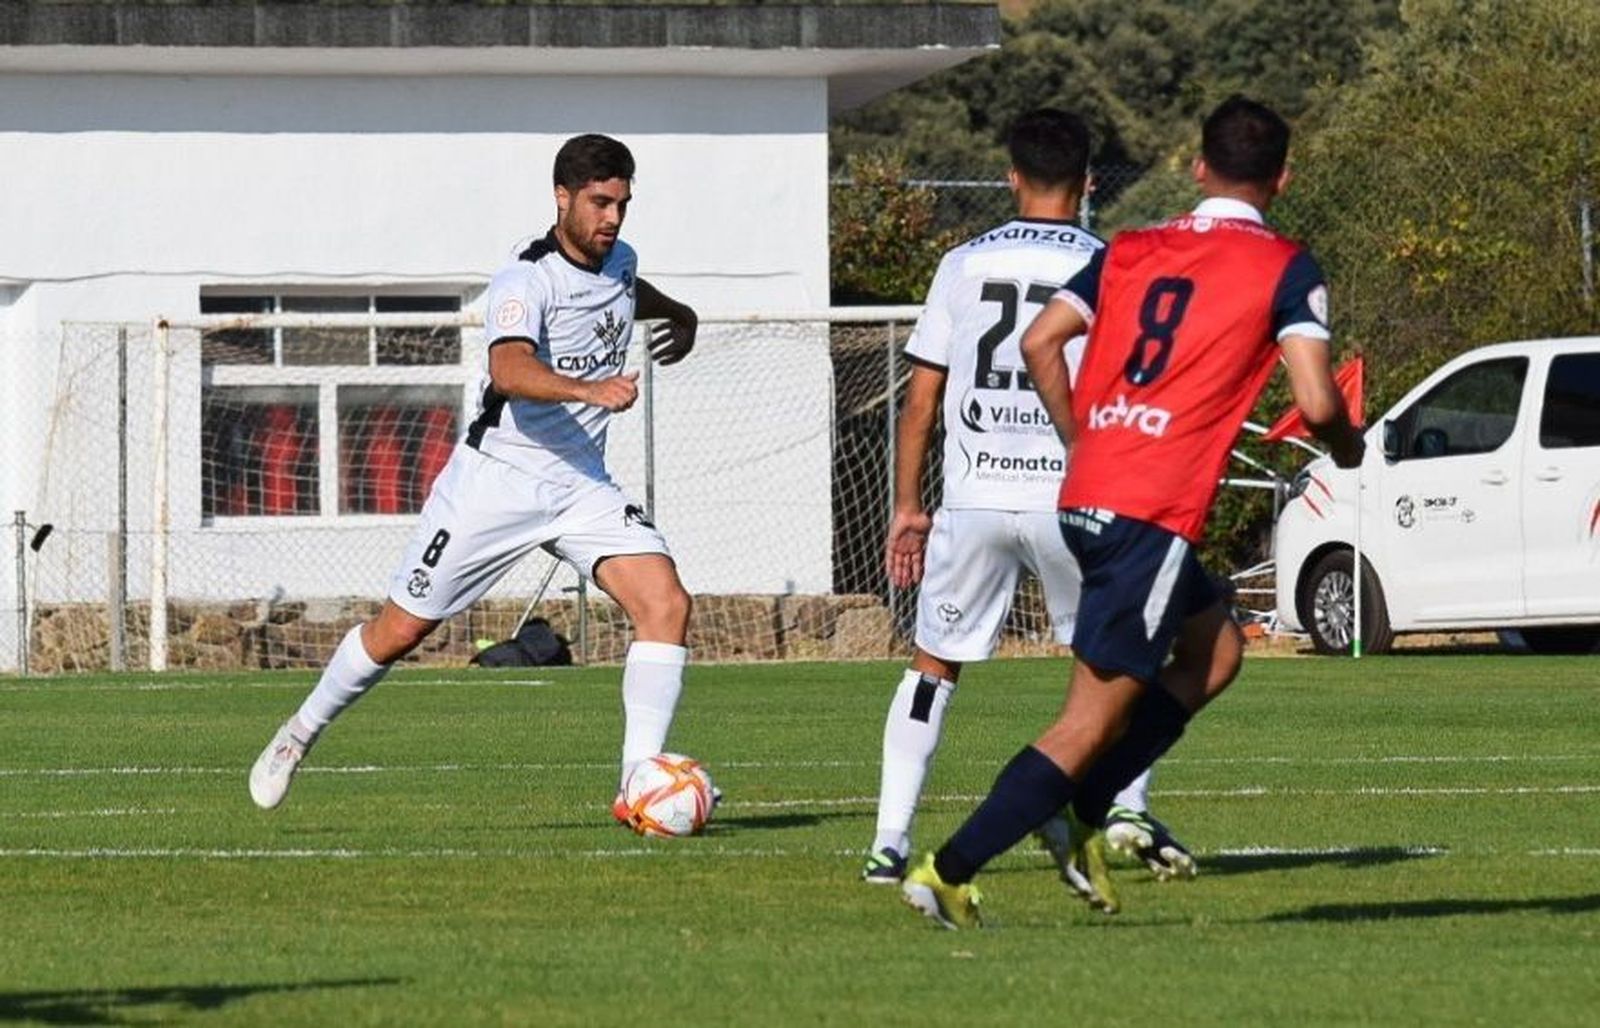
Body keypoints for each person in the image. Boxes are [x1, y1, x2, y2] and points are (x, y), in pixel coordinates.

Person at [901, 96, 1365, 929]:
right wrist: (1348, 444)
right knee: (1088, 720)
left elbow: (1041, 342)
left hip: (1087, 490)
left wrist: (1085, 437)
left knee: (1217, 647)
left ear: (1197, 168)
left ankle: (1085, 807)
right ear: (1284, 178)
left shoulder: (1134, 247)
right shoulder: (1285, 265)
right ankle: (950, 866)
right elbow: (1314, 396)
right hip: (1148, 510)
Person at [249, 134, 702, 825]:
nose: (613, 217)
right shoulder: (525, 277)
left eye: (623, 203)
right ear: (563, 197)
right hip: (498, 480)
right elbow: (509, 370)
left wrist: (678, 312)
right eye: (600, 202)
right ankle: (301, 731)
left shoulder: (621, 260)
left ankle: (638, 785)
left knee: (666, 604)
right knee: (401, 630)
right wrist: (591, 388)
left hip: (580, 482)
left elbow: (624, 289)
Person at [861, 109, 1194, 889]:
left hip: (973, 496)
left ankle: (887, 842)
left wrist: (908, 507)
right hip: (1073, 500)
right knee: (1120, 666)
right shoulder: (1111, 265)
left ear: (1011, 176)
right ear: (1086, 185)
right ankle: (1118, 810)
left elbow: (920, 402)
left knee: (932, 667)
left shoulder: (963, 264)